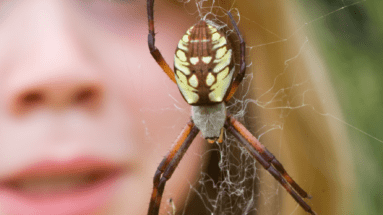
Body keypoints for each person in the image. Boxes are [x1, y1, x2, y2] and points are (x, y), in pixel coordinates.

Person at [0, 1, 356, 215]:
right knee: (266, 162)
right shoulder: (227, 88)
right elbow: (232, 63)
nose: (53, 70)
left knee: (258, 165)